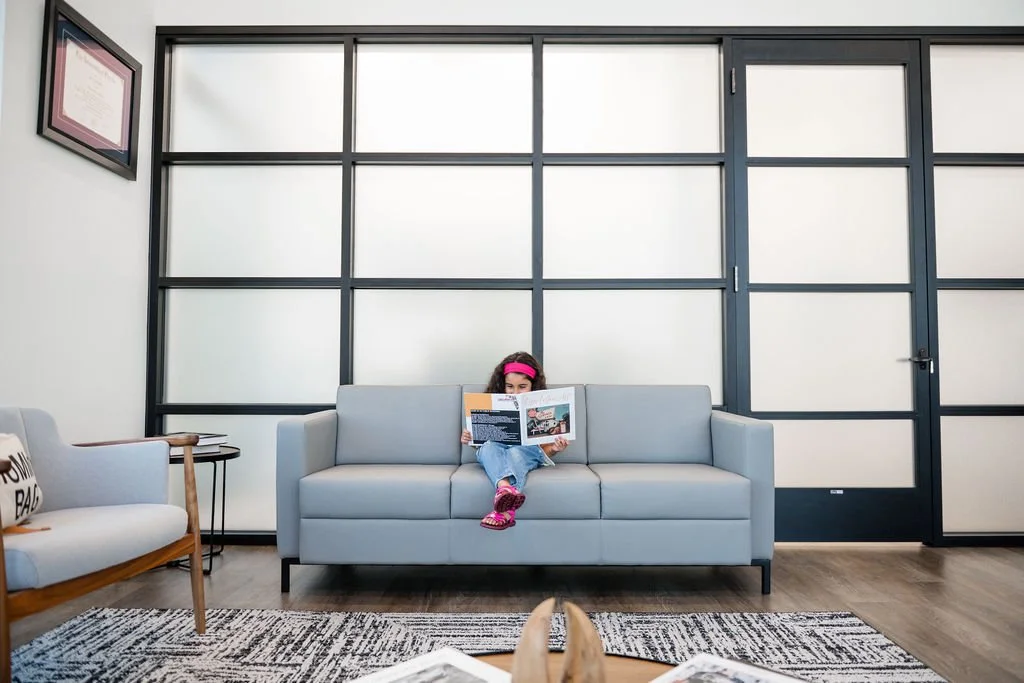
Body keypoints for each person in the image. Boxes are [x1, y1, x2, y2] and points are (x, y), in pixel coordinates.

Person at [460, 351, 569, 531]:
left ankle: (503, 499)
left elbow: (545, 451)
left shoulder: (541, 408)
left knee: (516, 451)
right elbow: (483, 448)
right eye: (510, 386)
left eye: (522, 386)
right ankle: (505, 494)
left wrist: (556, 448)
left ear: (533, 386)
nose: (515, 392)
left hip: (528, 451)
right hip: (495, 448)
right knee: (487, 446)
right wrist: (471, 438)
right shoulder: (491, 401)